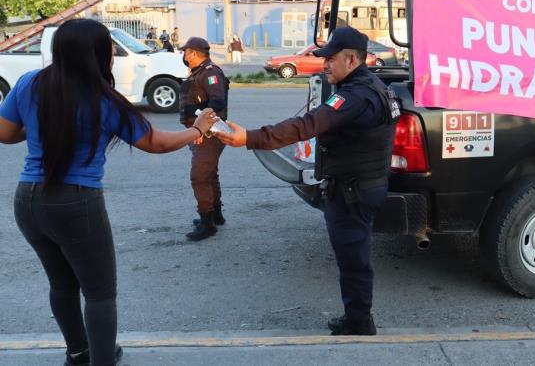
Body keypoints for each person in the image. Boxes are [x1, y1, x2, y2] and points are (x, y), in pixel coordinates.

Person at [0, 19, 217, 366]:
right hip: (75, 202)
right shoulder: (103, 98)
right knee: (99, 293)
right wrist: (196, 130)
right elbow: (155, 143)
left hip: (27, 201)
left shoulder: (29, 83)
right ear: (100, 55)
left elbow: (5, 133)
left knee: (62, 283)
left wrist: (47, 123)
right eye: (110, 50)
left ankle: (78, 352)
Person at [215, 26, 400, 335]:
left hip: (353, 191)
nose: (324, 64)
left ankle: (359, 322)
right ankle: (357, 316)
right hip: (362, 185)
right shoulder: (372, 86)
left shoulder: (355, 96)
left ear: (352, 59)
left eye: (330, 59)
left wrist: (249, 137)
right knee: (353, 256)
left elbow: (308, 125)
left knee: (353, 260)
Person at [179, 37, 229, 241]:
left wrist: (201, 129)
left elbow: (217, 102)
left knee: (199, 176)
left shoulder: (211, 73)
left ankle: (208, 224)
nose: (183, 55)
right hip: (200, 132)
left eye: (185, 52)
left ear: (193, 53)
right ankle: (215, 216)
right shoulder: (200, 72)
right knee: (209, 174)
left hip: (208, 133)